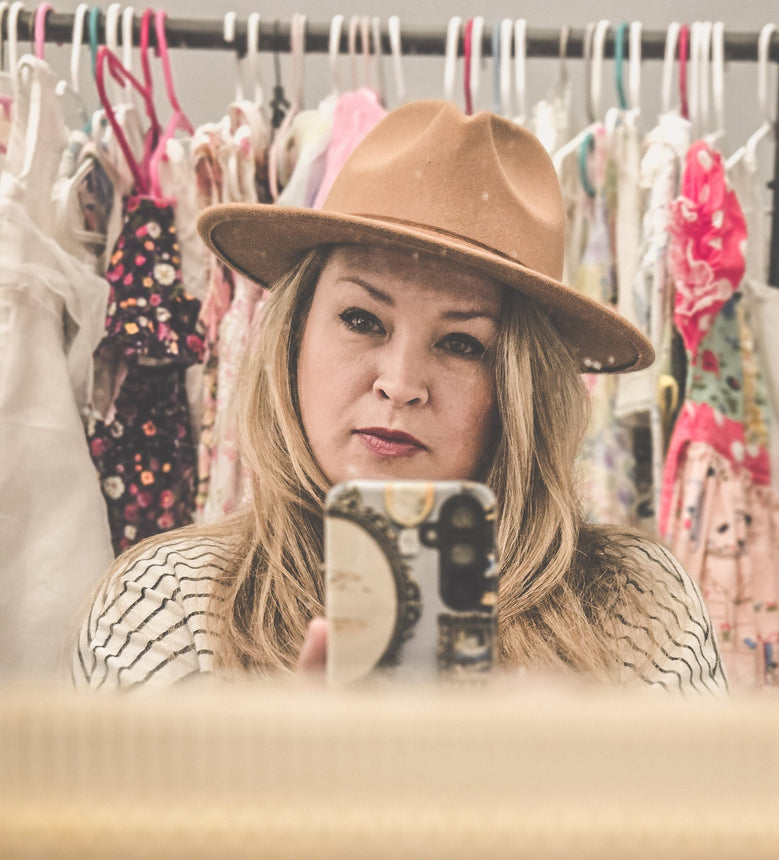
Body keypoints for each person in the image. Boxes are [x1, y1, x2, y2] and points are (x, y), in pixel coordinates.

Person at [73, 100, 728, 694]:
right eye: (362, 320)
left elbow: (707, 827)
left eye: (464, 344)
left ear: (518, 389)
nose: (401, 382)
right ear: (294, 336)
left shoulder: (641, 605)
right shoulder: (167, 602)